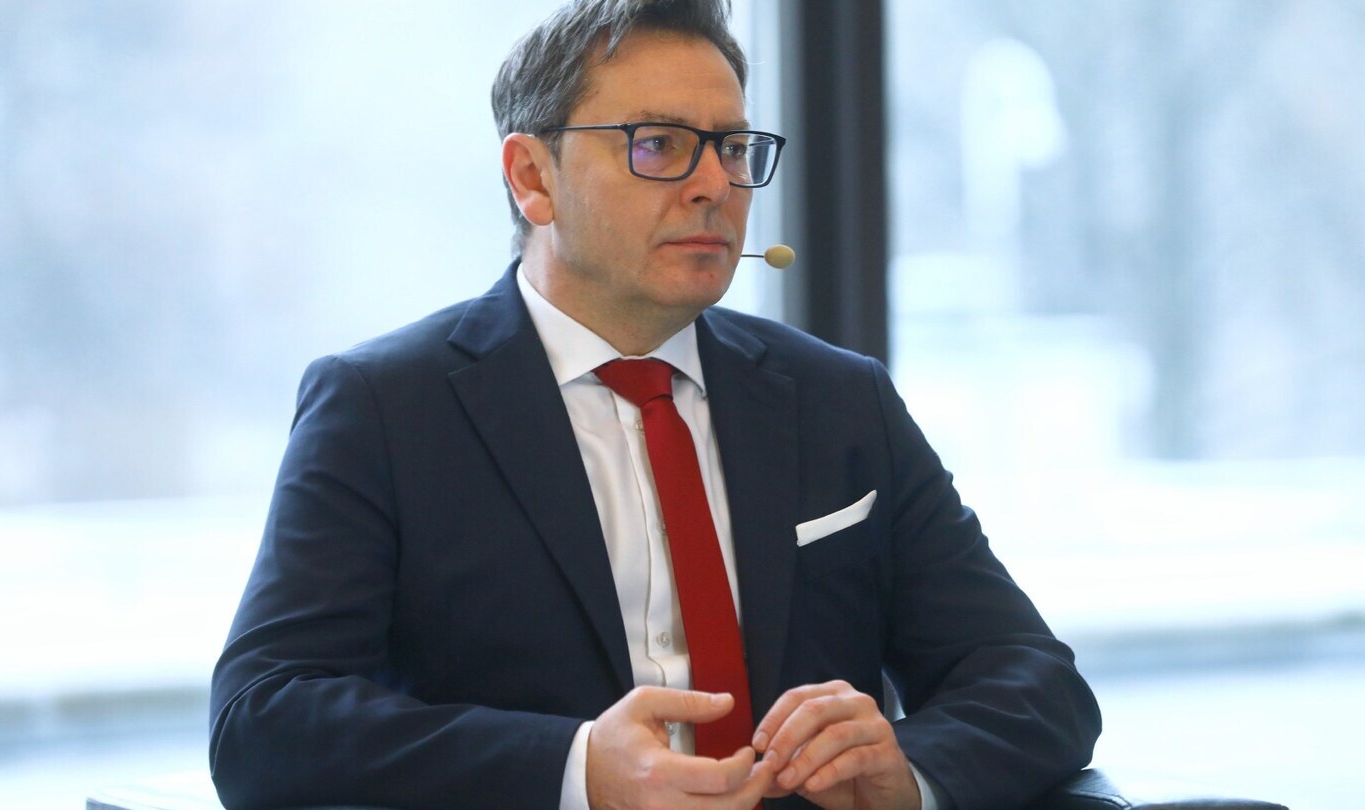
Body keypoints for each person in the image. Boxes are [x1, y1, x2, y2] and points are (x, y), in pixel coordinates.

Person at [209, 1, 1101, 808]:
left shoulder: (840, 399)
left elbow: (1034, 681)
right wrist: (574, 770)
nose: (715, 185)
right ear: (532, 177)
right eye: (660, 144)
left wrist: (905, 771)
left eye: (733, 149)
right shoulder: (383, 408)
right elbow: (263, 719)